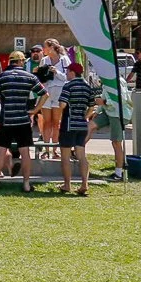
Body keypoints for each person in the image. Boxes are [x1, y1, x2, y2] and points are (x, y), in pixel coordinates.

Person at [0, 49, 43, 193]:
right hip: (23, 120)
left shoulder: (1, 77)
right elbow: (45, 94)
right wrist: (36, 110)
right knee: (25, 153)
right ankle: (26, 184)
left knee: (1, 151)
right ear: (21, 62)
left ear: (10, 62)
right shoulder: (29, 76)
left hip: (6, 120)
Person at [55, 60, 99, 195]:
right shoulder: (87, 86)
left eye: (68, 72)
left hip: (69, 124)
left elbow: (62, 105)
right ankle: (84, 184)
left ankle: (67, 185)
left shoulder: (68, 85)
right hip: (81, 124)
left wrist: (60, 110)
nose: (66, 74)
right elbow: (92, 107)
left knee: (65, 157)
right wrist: (84, 116)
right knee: (81, 156)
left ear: (73, 73)